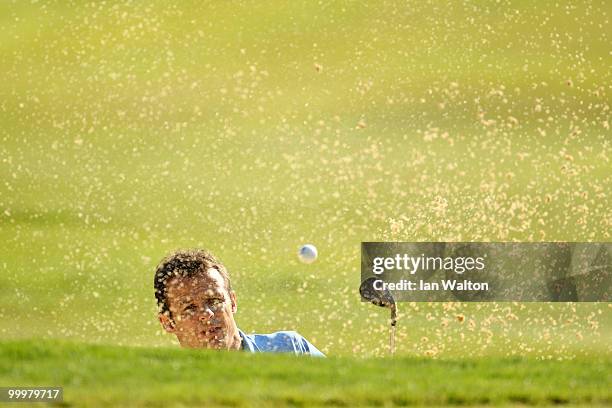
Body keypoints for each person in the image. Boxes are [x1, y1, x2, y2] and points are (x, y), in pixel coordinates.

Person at [154, 248, 325, 356]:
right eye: (190, 307)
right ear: (168, 323)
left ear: (233, 302)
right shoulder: (163, 389)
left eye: (214, 301)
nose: (207, 313)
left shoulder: (290, 349)